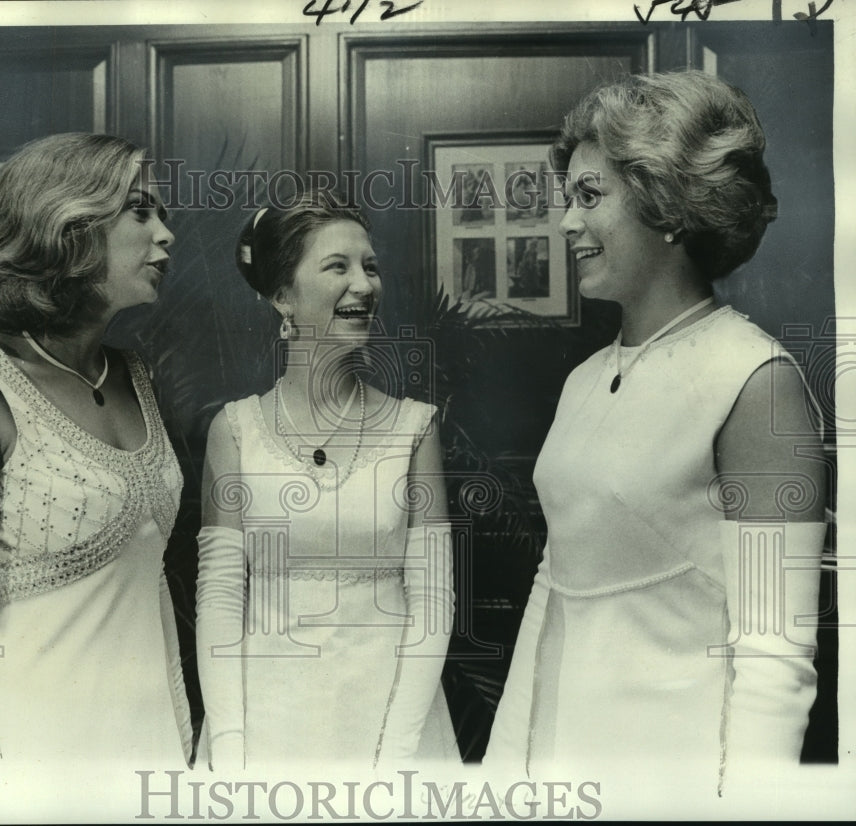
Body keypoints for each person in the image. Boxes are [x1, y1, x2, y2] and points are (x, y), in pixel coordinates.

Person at [483, 72, 827, 793]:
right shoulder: (584, 381)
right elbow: (552, 591)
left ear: (667, 204)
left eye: (590, 196)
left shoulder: (756, 380)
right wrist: (503, 774)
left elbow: (774, 650)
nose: (567, 223)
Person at [0, 132, 193, 764]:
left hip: (145, 753)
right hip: (32, 763)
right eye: (141, 212)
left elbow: (148, 589)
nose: (165, 234)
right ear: (68, 227)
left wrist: (181, 749)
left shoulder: (133, 375)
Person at [195, 192, 460, 770]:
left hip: (392, 724)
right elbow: (219, 598)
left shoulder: (414, 427)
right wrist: (230, 747)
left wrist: (397, 756)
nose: (363, 285)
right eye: (337, 267)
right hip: (265, 725)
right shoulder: (235, 430)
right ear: (282, 296)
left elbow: (433, 601)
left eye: (370, 267)